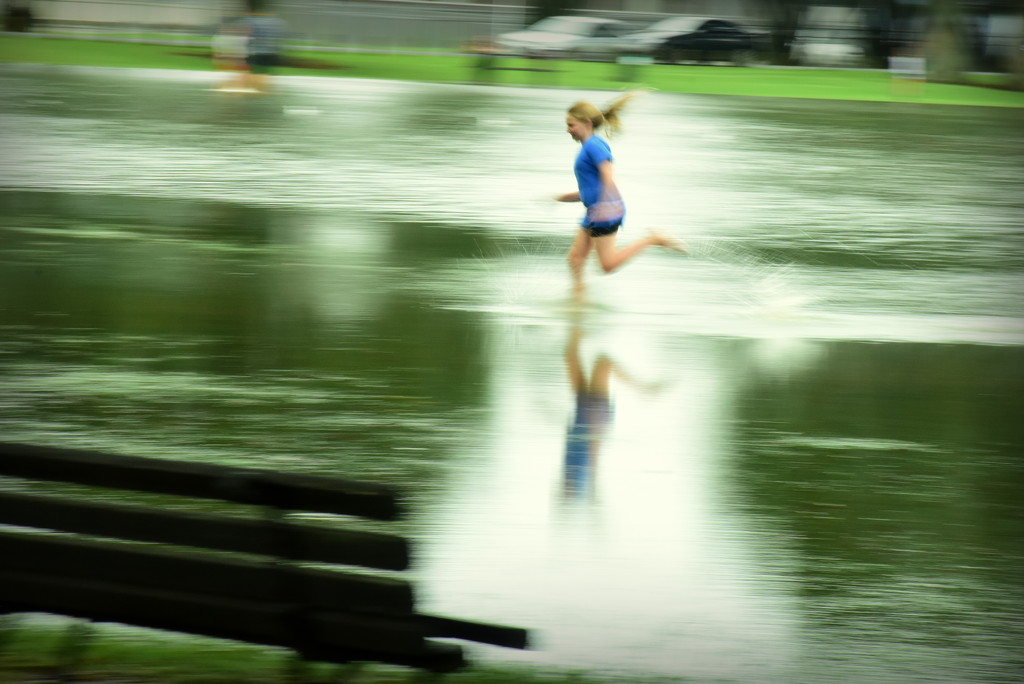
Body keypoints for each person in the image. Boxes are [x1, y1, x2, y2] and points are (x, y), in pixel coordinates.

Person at [555, 93, 685, 297]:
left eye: (571, 124)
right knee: (575, 260)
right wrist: (562, 197)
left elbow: (608, 174)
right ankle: (578, 304)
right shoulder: (587, 148)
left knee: (607, 265)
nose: (567, 129)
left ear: (586, 123)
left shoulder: (594, 145)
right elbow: (590, 189)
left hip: (605, 211)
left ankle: (651, 239)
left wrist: (605, 205)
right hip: (594, 211)